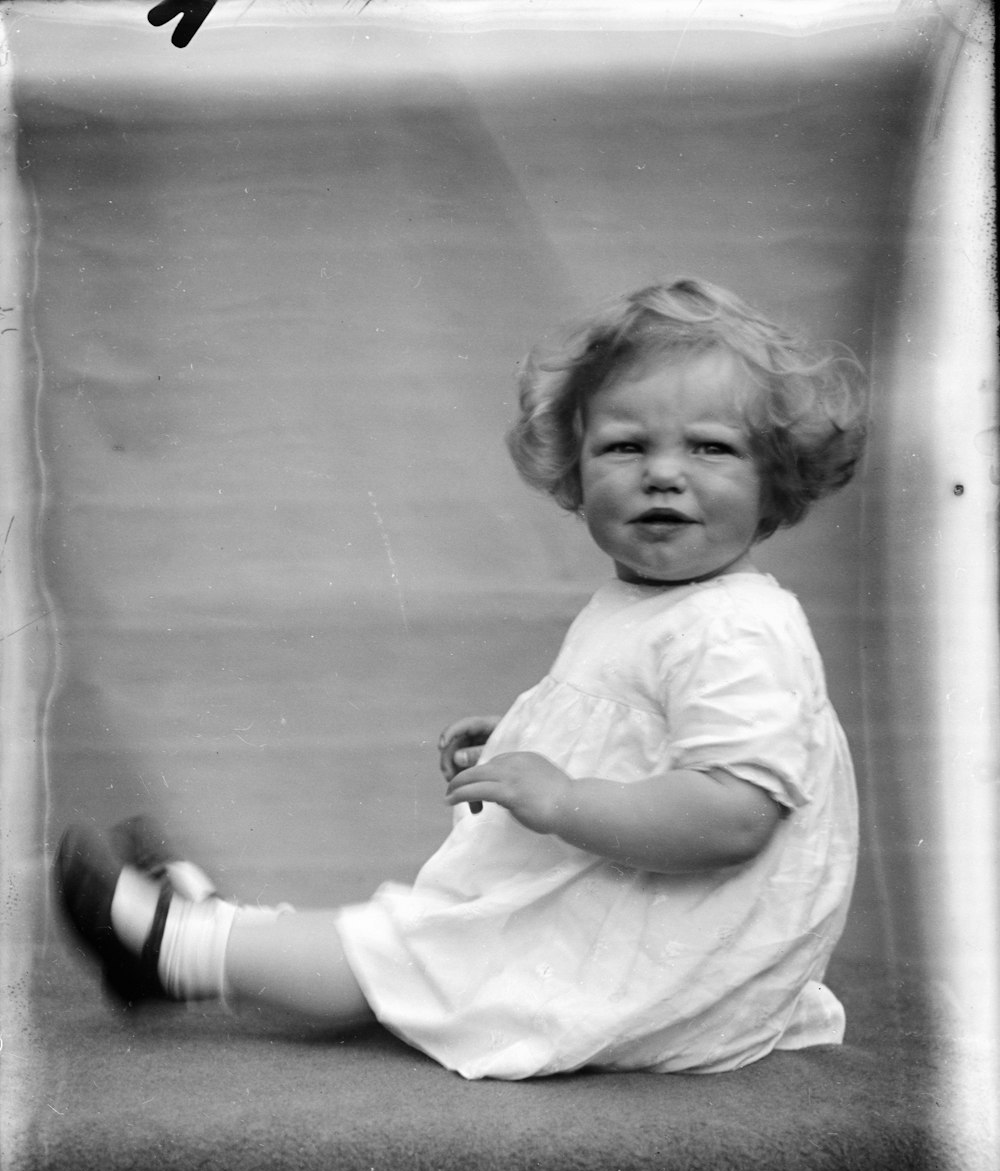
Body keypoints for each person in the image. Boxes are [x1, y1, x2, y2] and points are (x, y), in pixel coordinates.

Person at [54, 277, 866, 1081]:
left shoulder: (735, 629)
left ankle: (181, 947)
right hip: (654, 919)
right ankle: (210, 937)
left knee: (424, 950)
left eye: (711, 447)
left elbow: (733, 816)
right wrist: (533, 743)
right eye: (625, 445)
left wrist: (562, 798)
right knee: (434, 939)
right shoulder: (661, 606)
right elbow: (643, 731)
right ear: (576, 475)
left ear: (776, 480)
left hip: (671, 957)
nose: (663, 473)